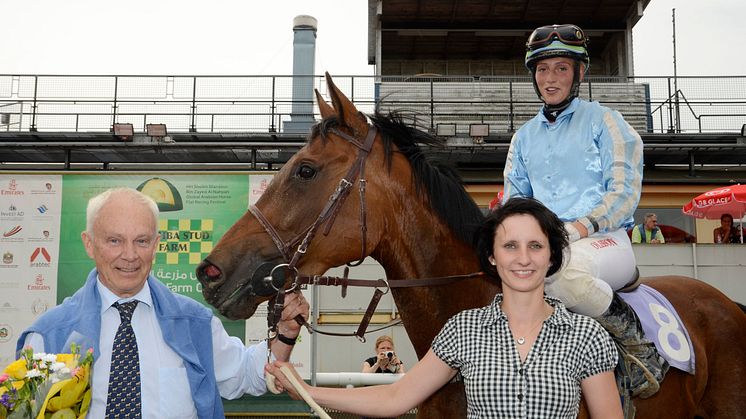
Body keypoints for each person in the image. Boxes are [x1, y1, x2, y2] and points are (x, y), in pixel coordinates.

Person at [267, 198, 623, 418]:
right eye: (510, 246)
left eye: (536, 246)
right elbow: (396, 397)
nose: (523, 258)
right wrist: (307, 390)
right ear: (492, 257)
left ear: (552, 256)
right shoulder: (463, 330)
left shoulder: (586, 335)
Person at [17, 187, 310, 418]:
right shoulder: (48, 336)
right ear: (89, 243)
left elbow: (247, 374)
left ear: (156, 245)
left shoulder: (195, 324)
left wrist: (285, 331)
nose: (130, 255)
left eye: (142, 241)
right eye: (114, 241)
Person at [502, 24, 668, 398]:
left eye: (561, 68)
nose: (550, 78)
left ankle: (640, 349)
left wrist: (577, 228)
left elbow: (624, 193)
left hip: (604, 241)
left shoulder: (607, 121)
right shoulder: (524, 136)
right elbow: (513, 202)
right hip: (544, 246)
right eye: (542, 70)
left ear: (579, 72)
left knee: (564, 274)